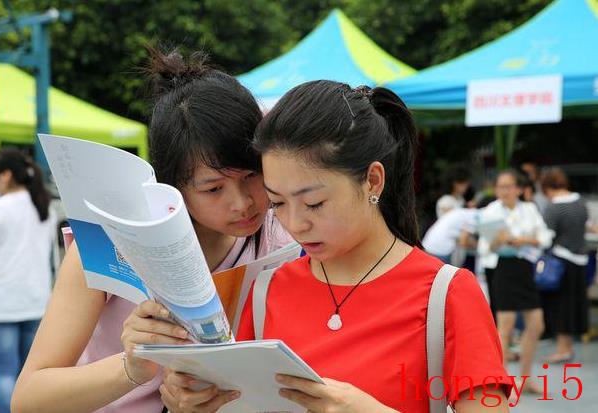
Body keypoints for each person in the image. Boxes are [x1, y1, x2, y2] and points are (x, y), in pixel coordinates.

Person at [160, 82, 511, 412]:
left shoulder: (447, 294)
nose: (296, 224)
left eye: (313, 203)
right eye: (277, 203)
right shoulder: (267, 290)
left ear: (372, 180)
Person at [11, 48, 292, 413]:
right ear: (173, 185)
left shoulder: (285, 232)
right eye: (213, 188)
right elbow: (30, 397)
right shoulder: (107, 241)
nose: (242, 203)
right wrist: (131, 367)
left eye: (251, 175)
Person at [0, 147, 56, 413]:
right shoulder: (45, 208)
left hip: (0, 303)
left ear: (6, 175)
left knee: (5, 373)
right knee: (28, 374)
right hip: (36, 301)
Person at [477, 170, 552, 395]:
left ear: (519, 188)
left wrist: (525, 240)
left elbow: (544, 237)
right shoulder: (490, 211)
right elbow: (485, 248)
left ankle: (526, 378)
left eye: (509, 186)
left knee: (536, 324)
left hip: (525, 267)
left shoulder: (529, 209)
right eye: (501, 186)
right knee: (505, 327)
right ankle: (502, 381)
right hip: (502, 267)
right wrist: (498, 242)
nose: (505, 191)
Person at [540, 168, 589, 363]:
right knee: (575, 303)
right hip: (581, 259)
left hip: (560, 261)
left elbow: (547, 237)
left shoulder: (554, 208)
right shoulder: (580, 202)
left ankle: (562, 348)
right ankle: (568, 347)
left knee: (560, 305)